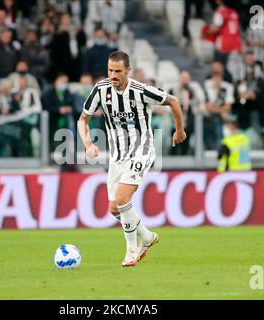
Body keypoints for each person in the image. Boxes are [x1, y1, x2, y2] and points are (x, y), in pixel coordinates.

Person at [77, 51, 186, 267]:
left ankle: (131, 251)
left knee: (123, 199)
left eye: (118, 71)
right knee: (114, 208)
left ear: (128, 70)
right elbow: (83, 120)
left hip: (141, 150)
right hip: (117, 156)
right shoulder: (101, 89)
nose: (113, 75)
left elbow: (174, 101)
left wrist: (180, 131)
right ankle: (146, 237)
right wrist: (88, 143)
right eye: (110, 70)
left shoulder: (141, 90)